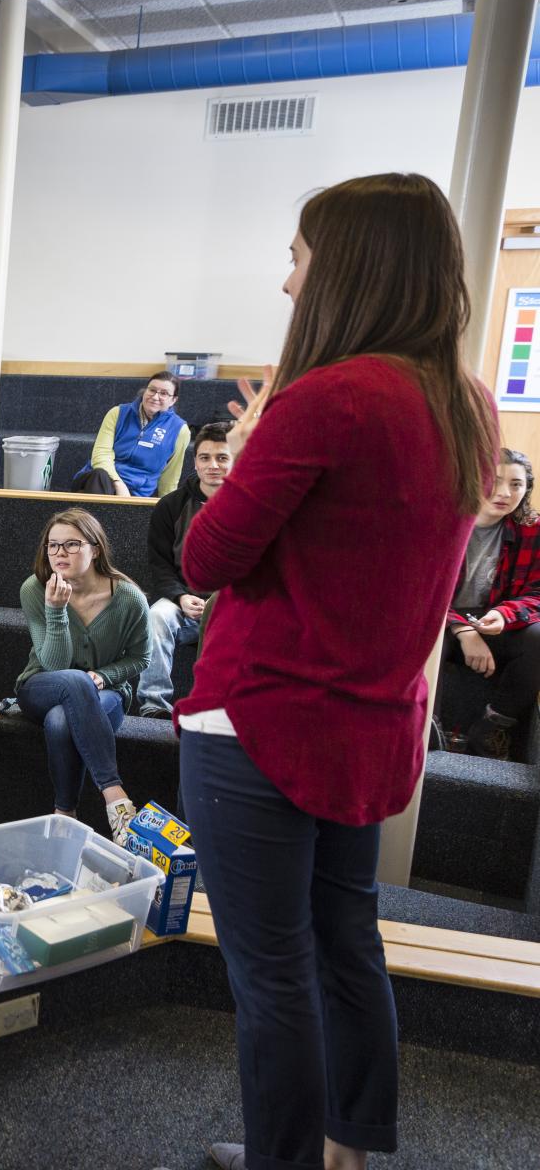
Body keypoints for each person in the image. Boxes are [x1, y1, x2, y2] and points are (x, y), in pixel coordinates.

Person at [177, 173, 501, 1170]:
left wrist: (248, 436)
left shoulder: (325, 401)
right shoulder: (470, 406)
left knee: (270, 976)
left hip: (261, 722)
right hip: (371, 729)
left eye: (298, 258)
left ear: (348, 268)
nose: (287, 283)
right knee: (348, 945)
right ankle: (345, 1150)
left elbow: (204, 560)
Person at [14, 508, 148, 841]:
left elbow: (140, 658)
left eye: (71, 545)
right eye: (53, 545)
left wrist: (104, 676)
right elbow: (54, 666)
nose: (59, 553)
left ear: (95, 549)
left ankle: (64, 814)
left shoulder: (129, 598)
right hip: (41, 685)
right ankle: (115, 797)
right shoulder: (35, 588)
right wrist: (57, 611)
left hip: (105, 694)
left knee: (61, 721)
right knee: (72, 681)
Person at [441, 449, 540, 760]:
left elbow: (537, 591)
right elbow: (413, 592)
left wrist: (502, 615)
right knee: (421, 636)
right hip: (439, 621)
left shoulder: (532, 529)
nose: (504, 493)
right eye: (494, 481)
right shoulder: (441, 520)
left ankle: (494, 726)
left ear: (526, 490)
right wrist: (462, 630)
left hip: (493, 621)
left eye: (516, 484)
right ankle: (428, 726)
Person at [137, 422, 232, 719]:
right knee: (156, 616)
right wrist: (179, 597)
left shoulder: (250, 504)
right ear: (195, 462)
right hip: (183, 600)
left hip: (232, 604)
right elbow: (160, 564)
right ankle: (154, 704)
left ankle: (215, 705)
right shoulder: (172, 506)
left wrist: (220, 599)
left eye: (222, 457)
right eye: (205, 458)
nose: (212, 465)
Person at [70, 371, 190, 497]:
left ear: (173, 400)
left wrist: (168, 507)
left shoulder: (180, 430)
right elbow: (101, 454)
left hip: (137, 491)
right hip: (98, 480)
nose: (155, 397)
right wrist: (118, 483)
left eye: (164, 393)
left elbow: (171, 475)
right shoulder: (117, 413)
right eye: (152, 390)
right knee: (99, 475)